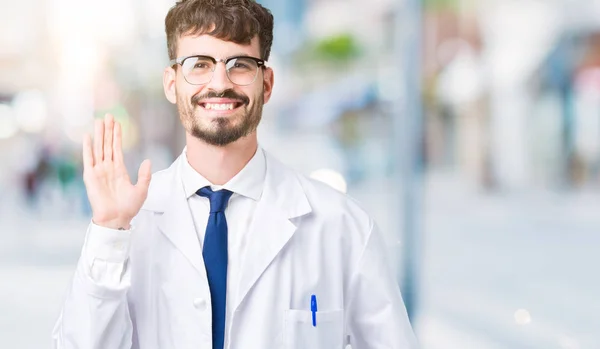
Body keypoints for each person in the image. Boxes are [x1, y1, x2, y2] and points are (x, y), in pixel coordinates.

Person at [52, 0, 417, 348]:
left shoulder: (343, 227)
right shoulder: (127, 226)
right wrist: (109, 230)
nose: (220, 82)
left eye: (240, 64)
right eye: (199, 64)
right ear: (170, 82)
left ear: (267, 83)